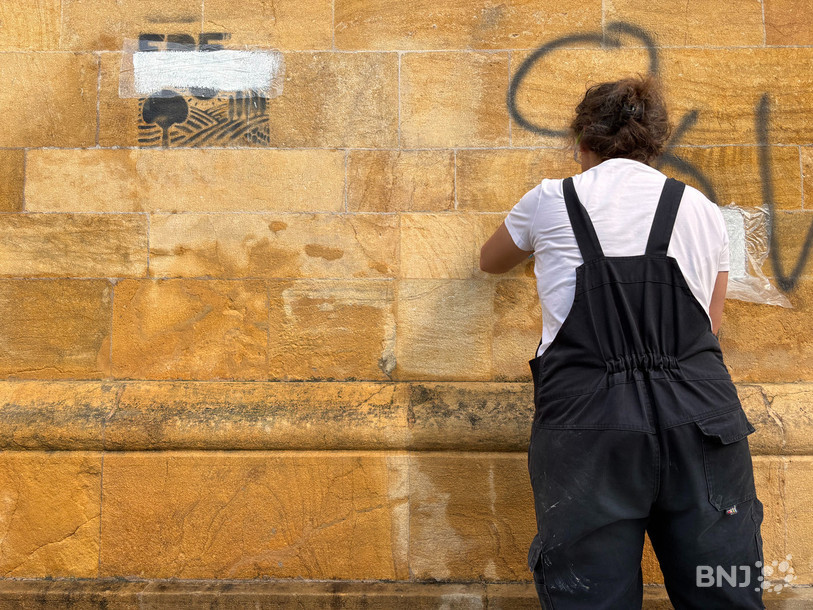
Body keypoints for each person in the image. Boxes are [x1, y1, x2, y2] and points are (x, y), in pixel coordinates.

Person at [480, 75, 764, 609]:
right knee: (723, 593)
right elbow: (712, 321)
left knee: (593, 597)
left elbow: (490, 260)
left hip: (589, 428)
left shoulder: (550, 199)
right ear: (654, 143)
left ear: (581, 142)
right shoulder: (701, 208)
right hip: (701, 421)